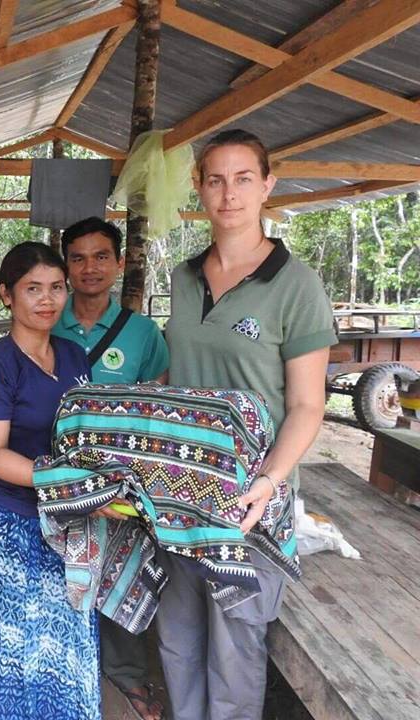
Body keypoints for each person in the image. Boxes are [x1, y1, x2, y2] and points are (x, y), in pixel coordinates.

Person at [160, 128, 336, 720]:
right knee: (179, 634)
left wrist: (271, 478)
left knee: (236, 643)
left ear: (267, 186)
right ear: (200, 189)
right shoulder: (184, 280)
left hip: (251, 496)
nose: (228, 194)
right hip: (182, 490)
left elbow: (308, 404)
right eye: (215, 180)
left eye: (242, 179)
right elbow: (175, 379)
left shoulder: (296, 285)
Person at [0, 241, 99, 720]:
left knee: (63, 646)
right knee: (13, 650)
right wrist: (65, 481)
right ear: (6, 295)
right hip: (13, 527)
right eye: (33, 288)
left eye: (57, 288)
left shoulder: (75, 356)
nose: (47, 300)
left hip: (74, 525)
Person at [51, 217, 168, 720]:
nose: (90, 268)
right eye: (78, 258)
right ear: (65, 267)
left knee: (123, 574)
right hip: (59, 478)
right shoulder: (45, 319)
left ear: (119, 263)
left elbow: (159, 407)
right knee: (60, 574)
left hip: (125, 482)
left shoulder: (143, 334)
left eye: (101, 256)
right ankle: (64, 666)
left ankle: (127, 676)